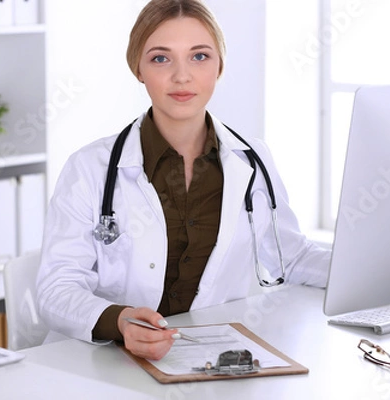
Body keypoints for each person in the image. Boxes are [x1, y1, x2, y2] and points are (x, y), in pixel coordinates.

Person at [36, 0, 331, 361]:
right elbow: (55, 288)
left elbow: (292, 257)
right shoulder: (89, 168)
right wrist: (121, 320)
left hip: (204, 359)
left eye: (200, 56)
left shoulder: (251, 159)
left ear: (219, 66)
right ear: (139, 68)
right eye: (161, 58)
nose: (182, 76)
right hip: (103, 363)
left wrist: (379, 269)